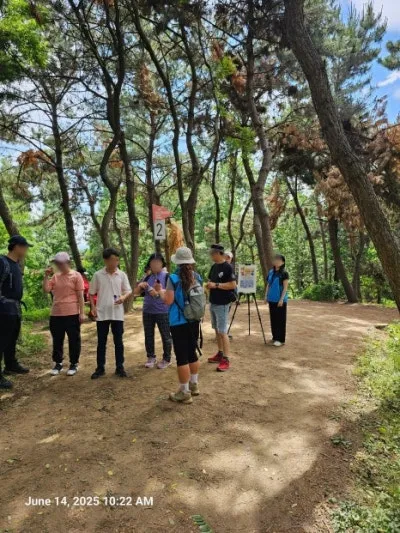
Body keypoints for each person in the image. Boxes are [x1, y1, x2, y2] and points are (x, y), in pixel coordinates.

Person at [155, 247, 202, 404]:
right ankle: (194, 385)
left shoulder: (174, 278)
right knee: (192, 353)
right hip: (194, 320)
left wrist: (160, 292)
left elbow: (168, 300)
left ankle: (184, 392)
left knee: (182, 357)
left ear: (178, 262)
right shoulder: (197, 276)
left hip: (178, 322)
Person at [89, 248, 132, 379]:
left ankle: (120, 367)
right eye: (113, 260)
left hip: (117, 314)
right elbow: (91, 293)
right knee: (101, 342)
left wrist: (123, 298)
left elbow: (128, 290)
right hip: (102, 313)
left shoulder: (121, 275)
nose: (115, 263)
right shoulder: (98, 275)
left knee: (118, 341)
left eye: (117, 260)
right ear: (106, 260)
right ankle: (100, 368)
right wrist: (93, 307)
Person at [43, 252, 85, 376]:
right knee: (57, 339)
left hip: (72, 313)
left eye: (60, 263)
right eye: (57, 263)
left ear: (67, 262)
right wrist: (46, 276)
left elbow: (80, 296)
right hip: (56, 313)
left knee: (74, 339)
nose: (58, 265)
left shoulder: (76, 275)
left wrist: (81, 313)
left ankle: (74, 363)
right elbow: (46, 289)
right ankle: (58, 363)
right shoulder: (55, 277)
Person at [0, 235, 31, 389]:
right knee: (2, 340)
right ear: (17, 247)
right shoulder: (2, 262)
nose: (26, 250)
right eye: (25, 247)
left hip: (15, 307)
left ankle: (10, 364)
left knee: (12, 337)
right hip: (3, 308)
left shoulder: (16, 264)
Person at [134, 253, 172, 369]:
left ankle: (167, 358)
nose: (155, 265)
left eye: (158, 262)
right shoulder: (147, 277)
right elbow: (135, 293)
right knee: (148, 335)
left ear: (162, 264)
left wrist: (158, 292)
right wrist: (140, 286)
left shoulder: (167, 277)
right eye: (153, 262)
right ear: (149, 264)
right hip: (147, 311)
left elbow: (170, 295)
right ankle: (151, 357)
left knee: (166, 336)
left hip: (163, 311)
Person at [206, 244, 237, 372]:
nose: (211, 256)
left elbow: (233, 285)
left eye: (212, 254)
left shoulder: (228, 267)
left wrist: (216, 285)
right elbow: (211, 281)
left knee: (223, 332)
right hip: (213, 302)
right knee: (217, 330)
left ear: (218, 253)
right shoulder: (214, 267)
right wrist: (209, 285)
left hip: (222, 304)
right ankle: (220, 353)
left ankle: (226, 358)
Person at [265, 254, 289, 347]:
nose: (277, 261)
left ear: (283, 262)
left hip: (280, 300)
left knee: (280, 320)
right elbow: (268, 284)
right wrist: (266, 296)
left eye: (279, 260)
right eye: (275, 259)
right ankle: (275, 337)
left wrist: (281, 299)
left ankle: (281, 339)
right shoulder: (271, 272)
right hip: (272, 299)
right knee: (273, 319)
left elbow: (285, 287)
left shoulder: (284, 273)